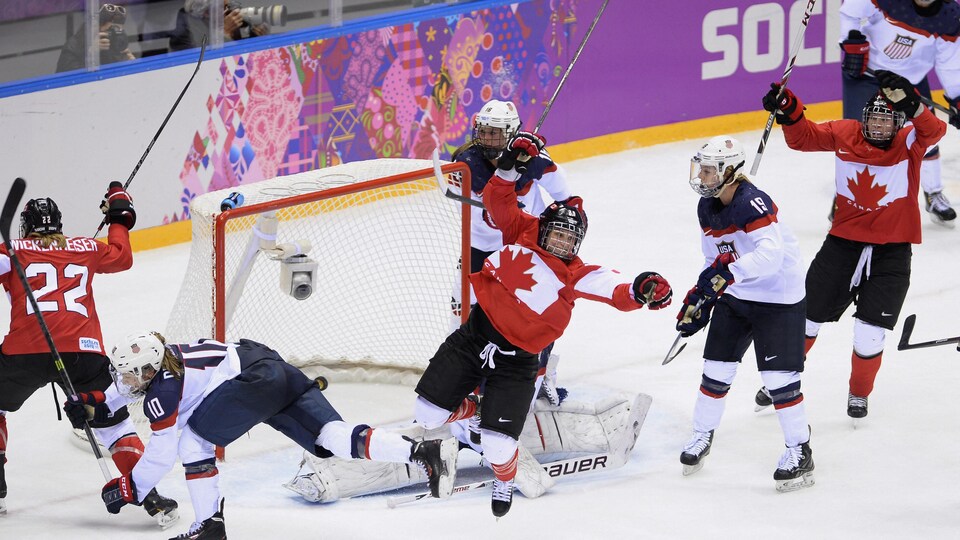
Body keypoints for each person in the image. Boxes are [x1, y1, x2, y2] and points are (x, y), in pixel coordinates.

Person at [412, 132, 673, 517]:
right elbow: (496, 200)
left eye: (571, 240)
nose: (562, 244)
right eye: (558, 234)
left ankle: (503, 476)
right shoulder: (522, 230)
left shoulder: (576, 273)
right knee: (426, 414)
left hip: (518, 364)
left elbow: (616, 290)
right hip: (475, 336)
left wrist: (642, 289)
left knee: (499, 446)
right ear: (544, 227)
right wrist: (507, 166)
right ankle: (473, 409)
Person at [67, 332, 457, 539]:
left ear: (151, 370)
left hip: (250, 381)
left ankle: (209, 527)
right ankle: (423, 451)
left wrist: (131, 487)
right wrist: (92, 402)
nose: (127, 380)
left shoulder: (163, 390)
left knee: (193, 444)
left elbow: (160, 456)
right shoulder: (166, 358)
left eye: (133, 374)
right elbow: (119, 392)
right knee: (332, 438)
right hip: (270, 367)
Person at [761, 70, 946, 420]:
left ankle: (859, 393)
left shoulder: (909, 141)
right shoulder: (845, 133)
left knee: (869, 335)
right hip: (841, 246)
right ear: (863, 119)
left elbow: (935, 131)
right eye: (873, 118)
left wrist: (913, 103)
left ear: (898, 122)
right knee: (805, 319)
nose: (878, 126)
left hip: (892, 253)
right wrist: (789, 110)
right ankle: (781, 380)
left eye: (886, 119)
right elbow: (804, 138)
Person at [0, 184, 178, 525]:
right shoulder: (84, 246)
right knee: (115, 425)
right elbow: (122, 256)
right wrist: (117, 214)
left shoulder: (13, 250)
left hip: (25, 350)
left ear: (26, 226)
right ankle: (151, 496)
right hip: (85, 352)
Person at [674, 136, 814, 492]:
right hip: (737, 295)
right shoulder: (707, 207)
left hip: (777, 297)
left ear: (730, 171)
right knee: (714, 371)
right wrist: (702, 294)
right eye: (701, 169)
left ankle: (800, 449)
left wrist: (727, 274)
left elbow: (770, 258)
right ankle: (701, 434)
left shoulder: (753, 204)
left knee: (779, 380)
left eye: (708, 170)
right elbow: (713, 258)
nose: (701, 176)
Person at [451, 100, 574, 411]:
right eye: (484, 131)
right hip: (478, 252)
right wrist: (510, 168)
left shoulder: (535, 160)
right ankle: (463, 385)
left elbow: (568, 200)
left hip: (522, 251)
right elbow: (490, 192)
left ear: (510, 133)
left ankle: (542, 374)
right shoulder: (465, 163)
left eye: (495, 133)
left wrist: (552, 225)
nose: (488, 138)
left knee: (537, 316)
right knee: (464, 318)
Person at [836, 0, 959, 226]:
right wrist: (852, 41)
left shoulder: (950, 17)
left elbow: (950, 63)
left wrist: (957, 97)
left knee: (925, 137)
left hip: (909, 82)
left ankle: (933, 194)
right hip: (867, 74)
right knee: (858, 142)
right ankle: (847, 198)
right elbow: (849, 13)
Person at [56, 3, 137, 73]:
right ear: (94, 27)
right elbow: (67, 79)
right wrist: (92, 55)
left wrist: (131, 66)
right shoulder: (74, 45)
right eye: (110, 30)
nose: (114, 34)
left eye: (117, 30)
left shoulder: (116, 44)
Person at [169, 0, 269, 52]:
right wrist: (224, 33)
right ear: (207, 13)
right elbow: (206, 64)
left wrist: (256, 37)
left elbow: (245, 53)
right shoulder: (185, 30)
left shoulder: (229, 11)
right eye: (223, 7)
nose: (229, 12)